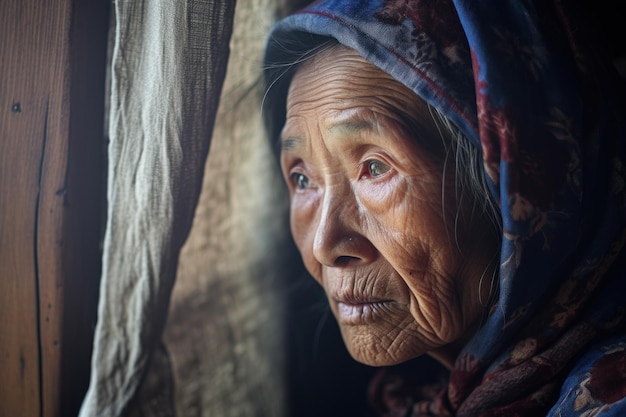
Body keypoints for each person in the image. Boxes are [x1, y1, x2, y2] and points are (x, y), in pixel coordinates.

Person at [262, 1, 626, 416]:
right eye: (303, 178)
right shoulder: (425, 390)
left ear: (526, 186)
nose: (326, 245)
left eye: (376, 167)